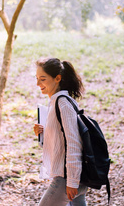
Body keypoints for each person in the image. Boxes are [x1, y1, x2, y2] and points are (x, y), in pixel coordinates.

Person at [34, 57, 88, 206]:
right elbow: (60, 145)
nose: (38, 84)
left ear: (57, 78)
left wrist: (72, 181)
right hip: (73, 177)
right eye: (37, 78)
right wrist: (43, 135)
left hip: (67, 179)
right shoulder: (56, 102)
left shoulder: (62, 104)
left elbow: (74, 143)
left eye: (43, 79)